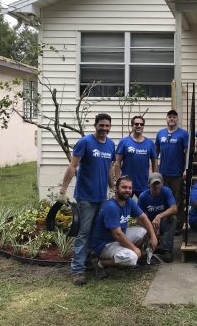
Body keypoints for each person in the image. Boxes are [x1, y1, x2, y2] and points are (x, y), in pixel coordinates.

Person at [58, 113, 116, 286]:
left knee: (97, 233)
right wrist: (63, 190)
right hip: (86, 197)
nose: (104, 128)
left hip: (102, 197)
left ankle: (93, 263)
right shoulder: (85, 142)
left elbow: (108, 169)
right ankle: (77, 270)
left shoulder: (111, 144)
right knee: (83, 233)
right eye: (101, 125)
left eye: (107, 126)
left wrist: (112, 188)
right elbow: (73, 165)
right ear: (95, 125)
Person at [90, 176, 158, 279]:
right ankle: (101, 263)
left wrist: (153, 237)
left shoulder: (129, 202)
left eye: (129, 188)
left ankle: (122, 257)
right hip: (104, 244)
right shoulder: (111, 207)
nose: (127, 190)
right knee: (132, 257)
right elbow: (117, 234)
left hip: (118, 238)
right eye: (124, 187)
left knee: (143, 231)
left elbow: (143, 218)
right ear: (116, 189)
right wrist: (134, 248)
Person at [156, 109, 189, 230]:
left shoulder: (183, 134)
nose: (172, 119)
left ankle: (178, 226)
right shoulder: (160, 133)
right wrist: (154, 169)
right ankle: (164, 224)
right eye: (169, 117)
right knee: (163, 198)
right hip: (163, 173)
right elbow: (156, 151)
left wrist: (186, 169)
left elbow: (187, 153)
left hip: (177, 173)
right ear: (166, 119)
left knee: (177, 200)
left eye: (174, 117)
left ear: (177, 119)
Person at [138, 172, 178, 263]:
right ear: (148, 184)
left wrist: (159, 216)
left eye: (158, 183)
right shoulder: (143, 196)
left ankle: (167, 250)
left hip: (162, 221)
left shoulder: (166, 191)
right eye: (153, 183)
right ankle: (150, 246)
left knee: (173, 219)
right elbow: (138, 218)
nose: (156, 186)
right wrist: (150, 230)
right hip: (149, 223)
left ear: (162, 183)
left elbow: (174, 208)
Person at [115, 115, 157, 198]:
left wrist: (153, 178)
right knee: (123, 207)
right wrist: (118, 181)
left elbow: (155, 161)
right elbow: (117, 162)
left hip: (143, 183)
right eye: (136, 124)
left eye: (141, 124)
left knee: (143, 209)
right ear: (132, 125)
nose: (139, 126)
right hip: (126, 184)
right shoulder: (124, 141)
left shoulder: (150, 143)